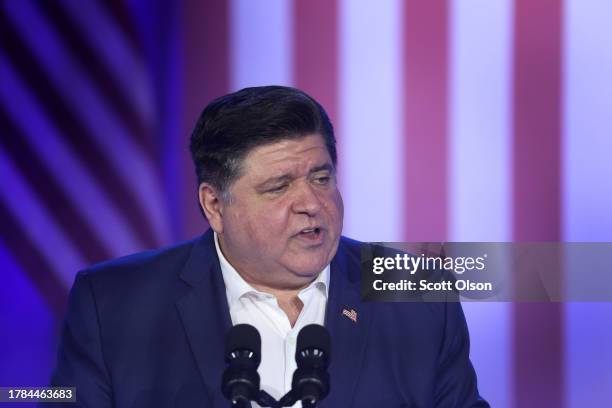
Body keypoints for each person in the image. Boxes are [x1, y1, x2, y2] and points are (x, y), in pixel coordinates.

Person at [50, 86, 489, 407]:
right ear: (214, 205)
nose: (312, 205)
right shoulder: (113, 303)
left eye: (322, 178)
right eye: (278, 187)